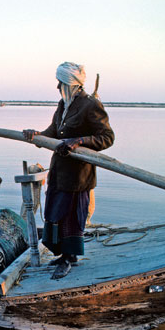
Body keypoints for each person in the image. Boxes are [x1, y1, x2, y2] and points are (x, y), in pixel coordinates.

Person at [23, 62, 114, 279]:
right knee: (54, 214)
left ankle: (68, 258)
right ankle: (64, 254)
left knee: (71, 217)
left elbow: (107, 137)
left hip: (78, 176)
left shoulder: (90, 105)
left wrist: (79, 141)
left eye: (61, 83)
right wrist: (36, 135)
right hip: (59, 171)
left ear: (71, 83)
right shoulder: (64, 104)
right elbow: (54, 132)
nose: (57, 87)